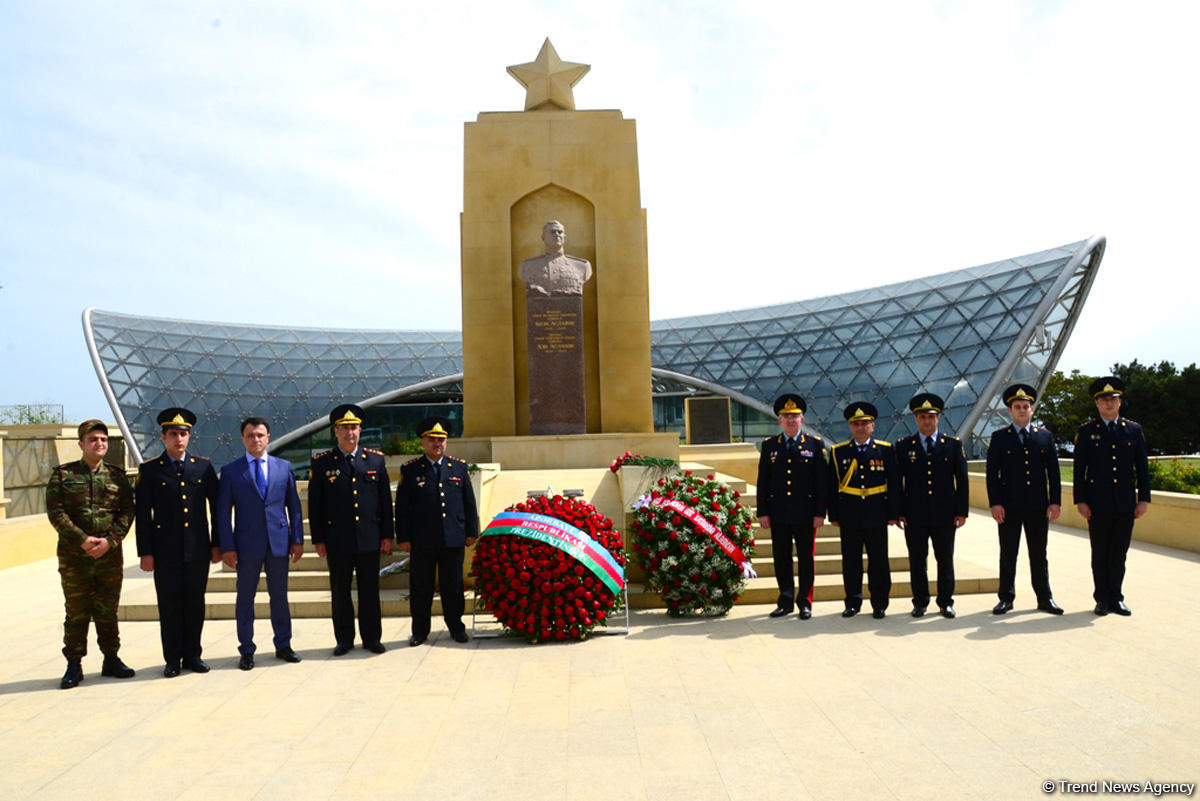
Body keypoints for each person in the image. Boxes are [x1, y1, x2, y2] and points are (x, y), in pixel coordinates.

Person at [46, 419, 136, 689]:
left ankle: (111, 658)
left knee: (107, 609)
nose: (99, 444)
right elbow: (56, 513)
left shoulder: (118, 477)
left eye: (103, 440)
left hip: (109, 556)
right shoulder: (63, 476)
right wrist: (83, 540)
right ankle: (74, 664)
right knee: (77, 611)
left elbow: (127, 512)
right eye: (93, 440)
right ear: (81, 444)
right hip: (75, 557)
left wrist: (110, 541)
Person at [136, 408, 220, 677]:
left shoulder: (203, 467)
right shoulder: (149, 470)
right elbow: (142, 515)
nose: (179, 439)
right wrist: (145, 552)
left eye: (183, 434)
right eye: (173, 434)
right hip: (165, 552)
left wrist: (217, 544)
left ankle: (193, 655)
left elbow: (217, 509)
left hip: (197, 550)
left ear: (189, 437)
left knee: (195, 604)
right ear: (163, 437)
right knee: (170, 606)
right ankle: (172, 659)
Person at [216, 417, 304, 669]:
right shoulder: (232, 471)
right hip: (246, 545)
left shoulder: (283, 467)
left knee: (279, 596)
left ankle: (283, 645)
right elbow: (223, 513)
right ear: (243, 439)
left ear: (268, 437)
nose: (256, 439)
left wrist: (296, 540)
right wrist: (228, 547)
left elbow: (294, 507)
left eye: (260, 435)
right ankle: (246, 649)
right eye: (251, 435)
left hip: (278, 543)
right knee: (245, 598)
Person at [308, 404, 393, 656]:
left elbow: (385, 502)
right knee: (340, 591)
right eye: (344, 428)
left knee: (370, 591)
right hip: (338, 540)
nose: (349, 433)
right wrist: (319, 539)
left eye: (353, 427)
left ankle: (372, 638)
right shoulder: (323, 463)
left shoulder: (375, 460)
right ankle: (344, 639)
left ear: (360, 430)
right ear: (336, 432)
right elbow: (316, 505)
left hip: (369, 538)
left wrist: (387, 535)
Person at [394, 416, 479, 646]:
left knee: (453, 587)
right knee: (421, 588)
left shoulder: (458, 468)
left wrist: (472, 531)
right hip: (422, 541)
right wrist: (403, 537)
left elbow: (469, 503)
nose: (437, 444)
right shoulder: (411, 470)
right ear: (423, 442)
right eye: (432, 439)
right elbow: (402, 508)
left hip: (452, 538)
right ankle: (420, 631)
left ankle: (456, 627)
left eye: (441, 439)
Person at [1074, 376, 1151, 616]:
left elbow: (1142, 468)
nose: (1110, 403)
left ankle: (1116, 597)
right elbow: (1079, 470)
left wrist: (1144, 499)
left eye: (1114, 399)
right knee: (1100, 552)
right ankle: (1102, 598)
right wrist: (1081, 500)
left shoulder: (1134, 430)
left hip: (1125, 502)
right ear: (1097, 403)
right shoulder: (1087, 432)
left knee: (1119, 552)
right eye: (1104, 400)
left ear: (1120, 402)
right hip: (1097, 503)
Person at [985, 384, 1063, 615]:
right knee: (1008, 553)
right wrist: (995, 503)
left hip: (1038, 506)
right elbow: (992, 475)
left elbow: (1054, 473)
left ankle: (1044, 597)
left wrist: (1055, 501)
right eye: (1017, 407)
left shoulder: (1045, 437)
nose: (1022, 410)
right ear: (1010, 411)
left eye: (1026, 406)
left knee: (1039, 554)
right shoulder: (1000, 438)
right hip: (1009, 506)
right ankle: (1006, 598)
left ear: (1032, 410)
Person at [895, 393, 968, 619]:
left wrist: (961, 511)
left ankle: (945, 602)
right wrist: (898, 511)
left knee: (945, 559)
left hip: (944, 514)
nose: (927, 421)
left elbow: (962, 480)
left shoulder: (953, 445)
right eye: (922, 417)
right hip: (914, 515)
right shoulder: (904, 446)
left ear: (938, 419)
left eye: (931, 417)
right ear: (916, 420)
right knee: (917, 561)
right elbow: (898, 482)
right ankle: (920, 602)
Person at [756, 393, 828, 620]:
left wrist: (819, 513)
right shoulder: (769, 446)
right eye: (786, 416)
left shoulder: (815, 445)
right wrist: (763, 511)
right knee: (782, 557)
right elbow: (762, 482)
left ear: (802, 419)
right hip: (778, 514)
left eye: (794, 416)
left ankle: (805, 603)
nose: (790, 420)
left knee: (806, 559)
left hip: (806, 515)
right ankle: (785, 600)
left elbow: (821, 483)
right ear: (779, 420)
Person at [827, 402, 900, 619]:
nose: (860, 427)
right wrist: (835, 515)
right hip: (849, 514)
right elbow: (832, 486)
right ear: (850, 427)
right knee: (851, 562)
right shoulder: (838, 452)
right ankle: (853, 602)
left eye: (864, 423)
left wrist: (893, 513)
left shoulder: (885, 450)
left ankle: (879, 603)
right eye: (856, 424)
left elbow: (894, 484)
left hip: (877, 513)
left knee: (879, 561)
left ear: (873, 426)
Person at [518, 220, 593, 296]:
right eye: (552, 232)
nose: (557, 234)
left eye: (560, 232)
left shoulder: (582, 266)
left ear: (564, 237)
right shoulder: (527, 266)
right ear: (543, 237)